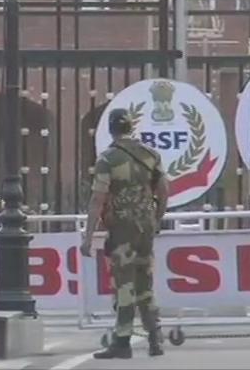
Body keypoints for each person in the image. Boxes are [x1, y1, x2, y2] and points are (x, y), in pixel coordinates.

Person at [82, 109, 168, 359]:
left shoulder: (108, 159)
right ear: (131, 127)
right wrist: (157, 218)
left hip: (122, 227)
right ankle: (155, 336)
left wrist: (88, 236)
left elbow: (98, 198)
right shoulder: (151, 155)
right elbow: (163, 191)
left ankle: (122, 339)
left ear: (111, 129)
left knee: (125, 283)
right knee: (145, 281)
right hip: (146, 225)